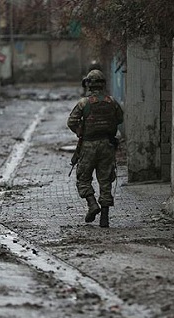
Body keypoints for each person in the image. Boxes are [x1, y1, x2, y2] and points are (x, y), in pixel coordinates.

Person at [68, 69, 124, 227]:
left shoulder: (84, 103)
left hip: (88, 146)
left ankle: (92, 205)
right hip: (107, 145)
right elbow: (119, 118)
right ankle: (104, 217)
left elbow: (71, 122)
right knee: (105, 180)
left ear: (88, 85)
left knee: (84, 178)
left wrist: (81, 131)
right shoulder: (112, 101)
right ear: (103, 84)